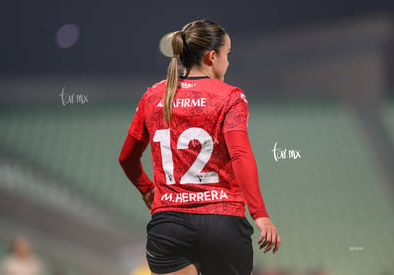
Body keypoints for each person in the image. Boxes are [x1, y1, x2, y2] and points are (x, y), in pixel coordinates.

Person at [119, 19, 280, 275]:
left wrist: (147, 189)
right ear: (212, 56)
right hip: (223, 224)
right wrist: (259, 213)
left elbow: (127, 158)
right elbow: (239, 154)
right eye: (227, 55)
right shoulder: (230, 96)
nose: (227, 63)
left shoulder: (152, 96)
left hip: (169, 224)